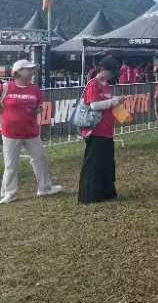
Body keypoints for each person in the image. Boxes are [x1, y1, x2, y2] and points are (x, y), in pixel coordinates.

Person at [0, 59, 64, 205]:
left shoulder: (35, 89)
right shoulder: (5, 87)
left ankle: (45, 188)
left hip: (31, 131)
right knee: (11, 164)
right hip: (10, 133)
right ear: (17, 72)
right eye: (28, 69)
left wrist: (38, 109)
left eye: (32, 69)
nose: (32, 72)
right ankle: (9, 193)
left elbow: (39, 105)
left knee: (39, 160)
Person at [78, 56, 125, 204]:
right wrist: (113, 101)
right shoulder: (93, 84)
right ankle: (91, 194)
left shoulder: (106, 86)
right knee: (94, 164)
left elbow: (107, 104)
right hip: (96, 131)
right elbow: (94, 105)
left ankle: (106, 192)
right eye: (111, 72)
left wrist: (119, 109)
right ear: (103, 69)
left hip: (107, 131)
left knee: (106, 164)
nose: (112, 76)